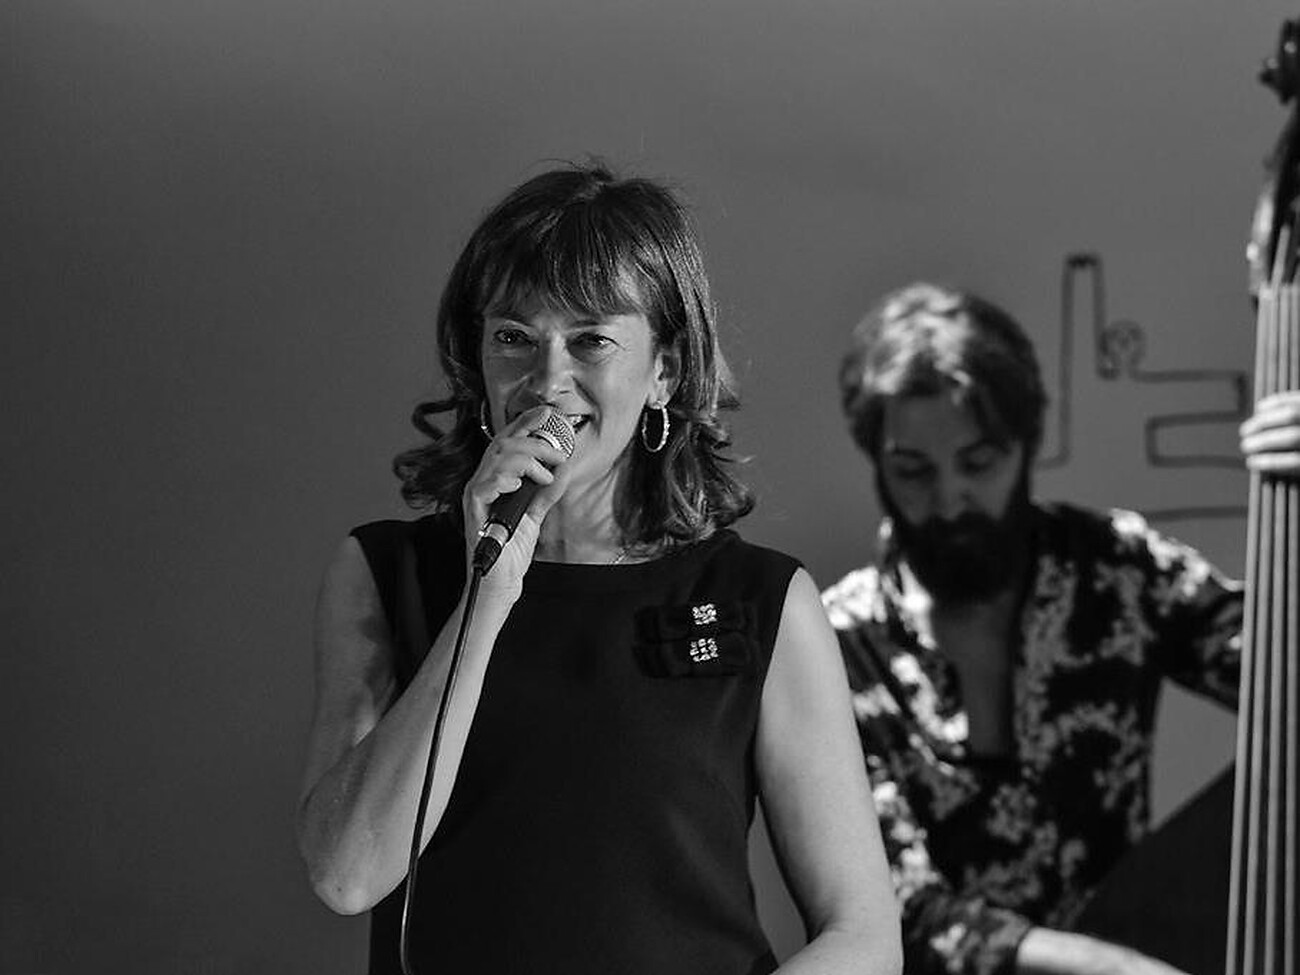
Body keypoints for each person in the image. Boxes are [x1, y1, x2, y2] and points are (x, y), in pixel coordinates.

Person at [296, 163, 903, 975]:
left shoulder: (761, 600)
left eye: (590, 340)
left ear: (664, 371)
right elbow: (345, 874)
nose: (548, 381)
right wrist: (486, 596)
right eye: (514, 337)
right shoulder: (385, 573)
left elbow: (865, 938)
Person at [821, 282, 1300, 975]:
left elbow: (1284, 681)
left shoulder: (1116, 569)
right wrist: (1120, 970)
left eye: (979, 463)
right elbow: (899, 911)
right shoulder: (838, 642)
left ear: (1028, 444)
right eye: (913, 471)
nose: (949, 501)